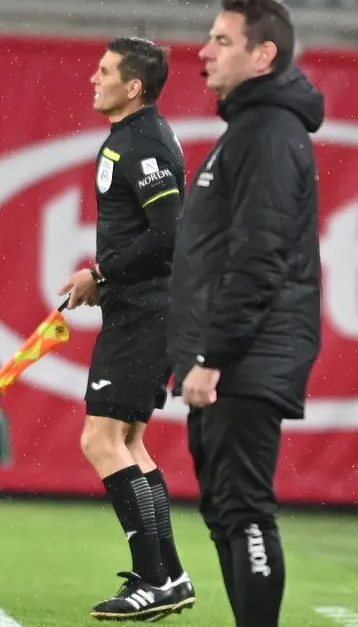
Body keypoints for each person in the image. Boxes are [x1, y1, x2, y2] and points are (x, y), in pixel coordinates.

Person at [169, 0, 324, 627]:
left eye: (222, 41)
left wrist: (214, 355)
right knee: (225, 510)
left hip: (245, 355)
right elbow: (212, 254)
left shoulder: (268, 134)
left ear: (264, 56)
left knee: (244, 508)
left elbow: (260, 256)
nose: (204, 51)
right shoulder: (250, 130)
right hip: (232, 352)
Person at [57, 36, 192, 620]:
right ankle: (171, 576)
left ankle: (153, 579)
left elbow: (169, 234)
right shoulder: (136, 136)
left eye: (105, 71)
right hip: (145, 308)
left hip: (145, 311)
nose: (94, 78)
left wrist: (101, 274)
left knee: (100, 440)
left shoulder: (143, 143)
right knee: (129, 442)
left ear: (133, 86)